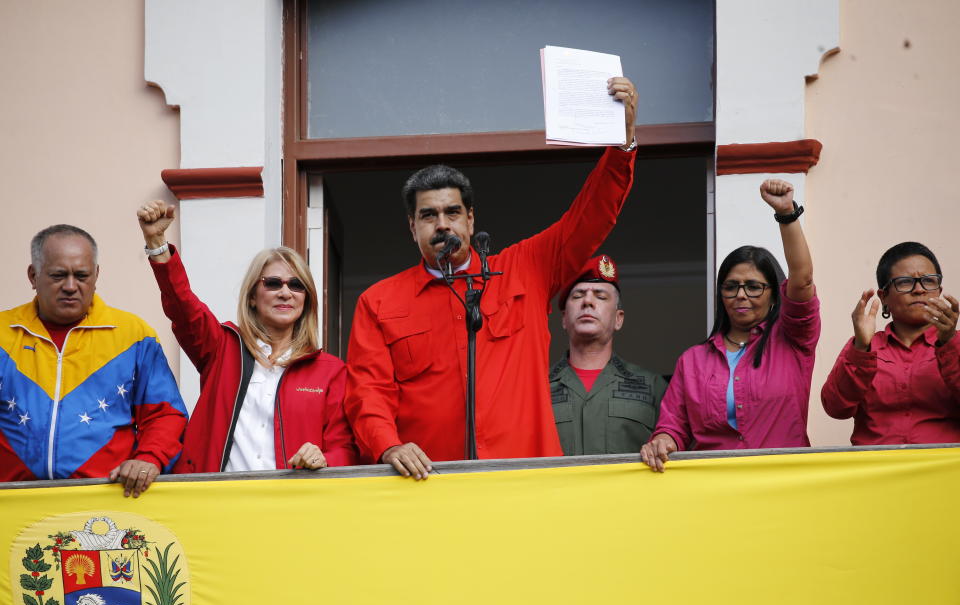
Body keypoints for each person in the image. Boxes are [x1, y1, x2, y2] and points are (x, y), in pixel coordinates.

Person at [346, 76, 639, 479]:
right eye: (428, 216)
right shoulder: (379, 302)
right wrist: (388, 445)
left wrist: (622, 146)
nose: (442, 225)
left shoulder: (525, 267)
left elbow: (591, 217)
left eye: (452, 213)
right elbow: (368, 393)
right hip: (427, 487)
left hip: (526, 481)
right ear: (412, 227)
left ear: (471, 219)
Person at [136, 201, 358, 473]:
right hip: (217, 502)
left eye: (296, 285)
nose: (285, 293)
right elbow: (183, 307)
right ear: (253, 296)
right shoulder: (221, 348)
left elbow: (345, 449)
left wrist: (324, 458)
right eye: (273, 283)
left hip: (291, 505)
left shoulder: (331, 371)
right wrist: (157, 244)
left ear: (306, 299)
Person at [641, 179, 819, 471]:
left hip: (784, 483)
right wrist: (662, 440)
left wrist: (787, 214)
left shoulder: (793, 340)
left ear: (775, 295)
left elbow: (803, 278)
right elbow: (673, 426)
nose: (741, 295)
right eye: (731, 286)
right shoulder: (693, 361)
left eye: (753, 287)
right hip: (714, 488)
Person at [0, 225, 187, 497]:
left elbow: (165, 413)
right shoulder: (3, 333)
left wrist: (149, 457)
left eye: (82, 275)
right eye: (58, 275)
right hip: (12, 501)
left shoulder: (134, 335)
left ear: (96, 276)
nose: (70, 286)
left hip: (106, 502)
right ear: (33, 275)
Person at [821, 242, 960, 443]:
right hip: (878, 469)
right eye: (905, 282)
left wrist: (949, 344)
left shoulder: (955, 344)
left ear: (939, 290)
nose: (919, 290)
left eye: (929, 281)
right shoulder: (865, 346)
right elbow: (835, 408)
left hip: (944, 470)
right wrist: (861, 348)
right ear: (883, 296)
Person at [549, 254, 668, 455]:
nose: (587, 301)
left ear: (618, 319)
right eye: (578, 296)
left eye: (601, 296)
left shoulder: (653, 386)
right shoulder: (538, 389)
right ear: (564, 319)